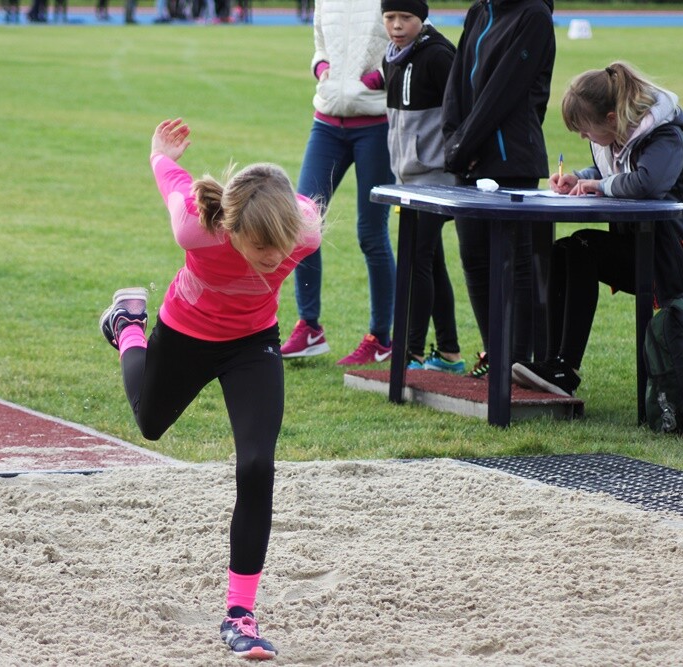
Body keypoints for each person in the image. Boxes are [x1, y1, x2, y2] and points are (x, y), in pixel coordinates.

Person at [98, 118, 322, 660]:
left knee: (257, 465)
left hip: (253, 343)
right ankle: (128, 327)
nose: (274, 259)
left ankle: (240, 614)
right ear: (231, 230)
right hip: (186, 333)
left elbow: (289, 225)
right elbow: (173, 184)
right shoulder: (195, 227)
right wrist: (160, 154)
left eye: (280, 248)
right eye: (260, 248)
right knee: (150, 424)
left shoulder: (306, 230)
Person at [511, 62, 683, 396]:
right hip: (649, 249)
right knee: (563, 250)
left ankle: (564, 368)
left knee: (583, 246)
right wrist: (580, 178)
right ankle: (553, 364)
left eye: (585, 129)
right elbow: (611, 170)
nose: (583, 137)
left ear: (612, 119)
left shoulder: (664, 135)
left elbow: (648, 182)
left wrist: (598, 185)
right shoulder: (614, 136)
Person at [441, 0, 556, 378]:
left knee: (515, 261)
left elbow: (504, 91)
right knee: (474, 258)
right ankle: (495, 355)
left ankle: (516, 363)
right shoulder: (479, 12)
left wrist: (464, 145)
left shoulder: (534, 15)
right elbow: (457, 83)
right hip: (468, 157)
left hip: (511, 161)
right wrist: (453, 142)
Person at [281, 0, 398, 367]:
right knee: (302, 221)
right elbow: (320, 43)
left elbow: (410, 37)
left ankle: (380, 338)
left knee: (371, 233)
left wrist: (380, 76)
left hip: (375, 124)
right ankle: (309, 327)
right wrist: (321, 67)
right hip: (327, 122)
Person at [380, 0, 465, 374]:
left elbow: (462, 107)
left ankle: (411, 352)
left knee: (416, 260)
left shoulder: (439, 55)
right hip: (408, 179)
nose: (397, 25)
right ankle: (449, 353)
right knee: (431, 261)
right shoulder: (392, 57)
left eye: (406, 18)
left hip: (437, 178)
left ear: (422, 18)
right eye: (390, 17)